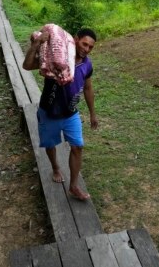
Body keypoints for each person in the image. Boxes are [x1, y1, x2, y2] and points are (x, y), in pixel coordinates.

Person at [22, 27, 99, 201]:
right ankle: (56, 167)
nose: (86, 49)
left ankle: (73, 186)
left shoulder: (87, 64)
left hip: (71, 113)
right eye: (84, 44)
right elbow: (27, 65)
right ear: (76, 39)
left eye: (90, 47)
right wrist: (37, 43)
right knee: (51, 145)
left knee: (77, 147)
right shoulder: (57, 56)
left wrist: (93, 113)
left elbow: (87, 88)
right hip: (49, 112)